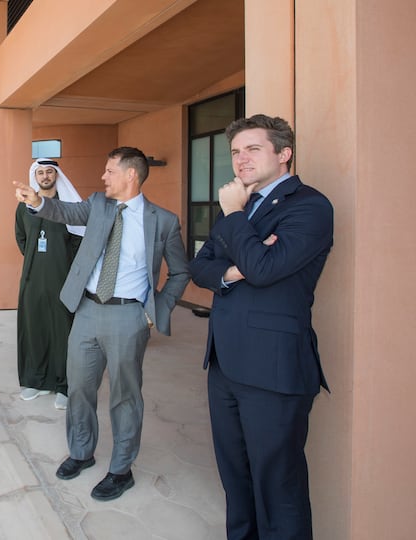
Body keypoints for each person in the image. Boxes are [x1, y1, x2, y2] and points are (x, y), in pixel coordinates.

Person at [13, 147, 190, 501]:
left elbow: (181, 272)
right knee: (79, 387)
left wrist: (153, 312)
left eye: (110, 171)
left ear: (131, 176)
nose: (103, 177)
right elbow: (64, 210)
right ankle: (81, 452)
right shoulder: (97, 204)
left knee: (125, 396)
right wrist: (37, 201)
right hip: (87, 310)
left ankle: (121, 470)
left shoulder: (164, 221)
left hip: (129, 315)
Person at [190, 114, 333, 539]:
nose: (240, 159)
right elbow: (201, 267)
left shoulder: (309, 205)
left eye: (253, 149)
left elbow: (266, 269)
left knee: (278, 486)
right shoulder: (246, 204)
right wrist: (236, 270)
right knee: (237, 479)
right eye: (236, 151)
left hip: (273, 371)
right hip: (225, 365)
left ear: (283, 153)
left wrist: (234, 217)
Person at [15, 159, 85, 410]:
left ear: (57, 175)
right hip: (33, 276)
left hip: (62, 277)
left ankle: (63, 386)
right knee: (34, 328)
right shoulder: (24, 207)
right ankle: (35, 380)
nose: (45, 176)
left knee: (62, 331)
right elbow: (21, 238)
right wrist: (38, 259)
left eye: (49, 171)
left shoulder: (69, 206)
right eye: (40, 172)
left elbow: (80, 241)